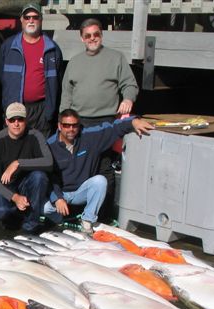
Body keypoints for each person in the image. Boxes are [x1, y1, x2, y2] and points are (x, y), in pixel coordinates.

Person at [59, 17, 139, 222]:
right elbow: (66, 94)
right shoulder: (75, 62)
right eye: (88, 35)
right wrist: (63, 121)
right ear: (82, 38)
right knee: (79, 167)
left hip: (104, 121)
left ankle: (103, 217)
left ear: (101, 35)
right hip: (78, 123)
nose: (92, 38)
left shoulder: (116, 58)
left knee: (104, 168)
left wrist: (128, 99)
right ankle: (82, 212)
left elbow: (129, 84)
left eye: (96, 34)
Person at [43, 109, 154, 233]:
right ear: (59, 126)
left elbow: (114, 128)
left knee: (100, 181)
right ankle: (61, 220)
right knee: (45, 208)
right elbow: (48, 176)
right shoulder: (49, 145)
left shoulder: (89, 137)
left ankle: (87, 221)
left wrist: (133, 122)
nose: (71, 129)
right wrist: (57, 197)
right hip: (62, 193)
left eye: (74, 125)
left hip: (81, 190)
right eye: (66, 125)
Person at [0, 3, 62, 137]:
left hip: (42, 111)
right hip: (16, 108)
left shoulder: (52, 49)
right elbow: (1, 78)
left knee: (41, 151)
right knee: (15, 150)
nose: (31, 20)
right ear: (21, 19)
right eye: (27, 17)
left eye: (35, 17)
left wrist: (49, 111)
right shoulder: (8, 46)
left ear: (41, 19)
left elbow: (57, 82)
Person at [0, 102, 53, 233]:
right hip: (6, 187)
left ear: (26, 120)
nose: (16, 123)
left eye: (20, 119)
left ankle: (31, 224)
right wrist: (15, 198)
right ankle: (17, 213)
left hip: (27, 185)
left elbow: (49, 162)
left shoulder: (35, 135)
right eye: (12, 120)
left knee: (39, 176)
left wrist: (18, 163)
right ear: (6, 121)